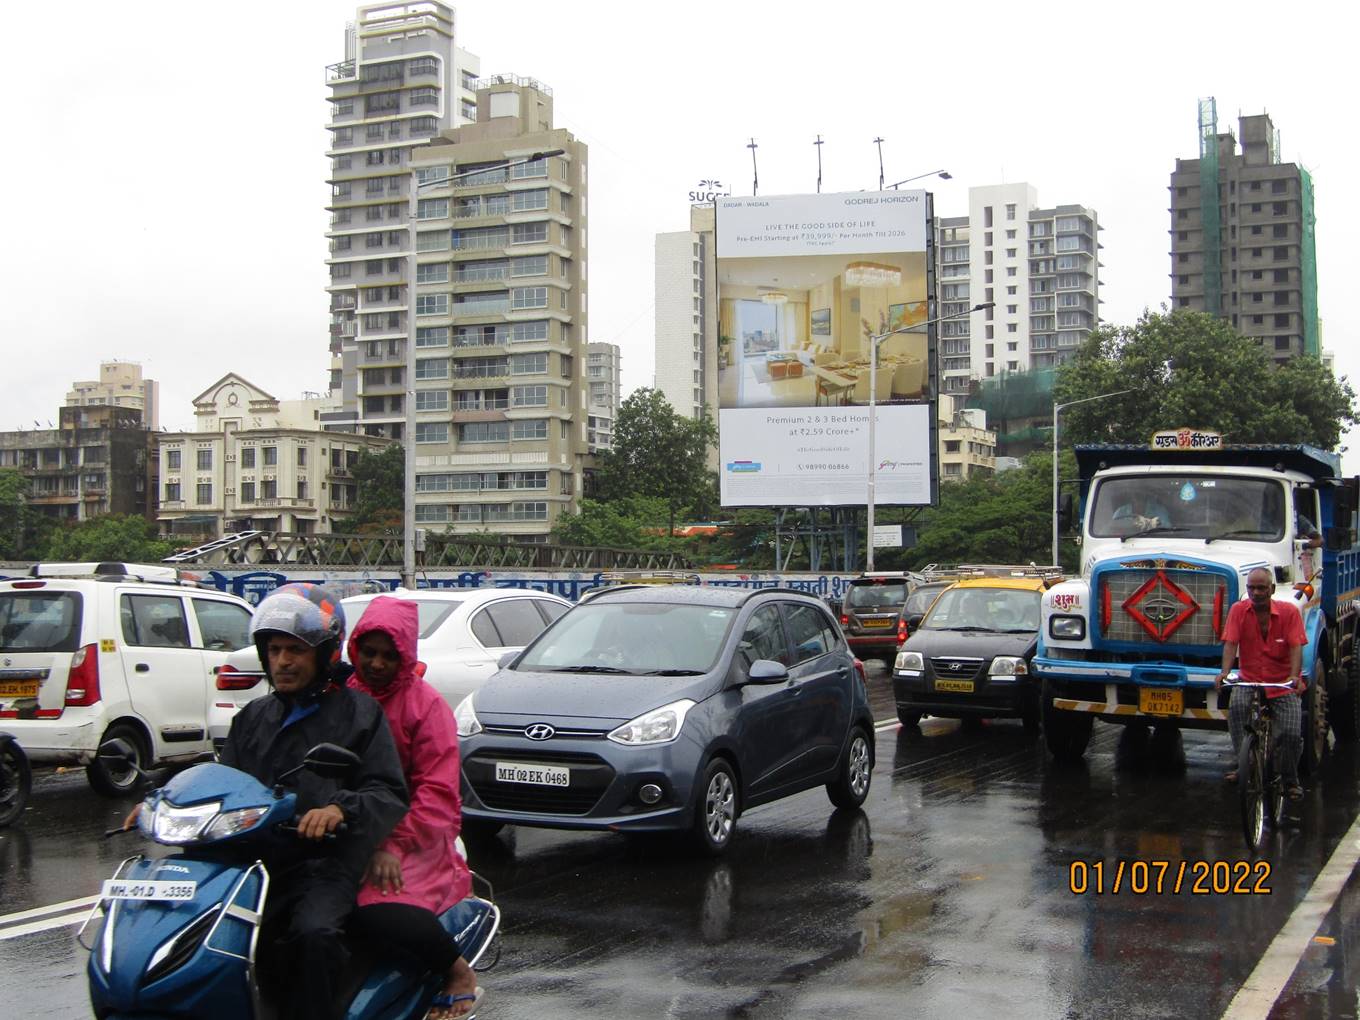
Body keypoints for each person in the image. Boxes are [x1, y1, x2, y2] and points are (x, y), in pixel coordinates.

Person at [215, 584, 409, 1020]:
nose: (282, 661)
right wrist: (164, 799)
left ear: (324, 654)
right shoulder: (253, 717)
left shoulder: (359, 714)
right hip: (257, 864)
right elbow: (224, 782)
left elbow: (388, 791)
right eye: (275, 649)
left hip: (326, 864)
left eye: (296, 650)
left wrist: (340, 809)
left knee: (313, 934)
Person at [345, 596, 484, 1020]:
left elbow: (438, 794)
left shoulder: (426, 707)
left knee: (377, 906)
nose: (378, 664)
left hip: (413, 838)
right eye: (369, 653)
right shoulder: (341, 696)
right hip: (350, 831)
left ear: (406, 656)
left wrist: (394, 843)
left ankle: (456, 971)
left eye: (390, 656)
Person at [1214, 567, 1308, 798]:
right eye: (1251, 588)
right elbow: (1230, 644)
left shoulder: (1289, 613)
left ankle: (1289, 779)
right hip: (1250, 679)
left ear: (1272, 589)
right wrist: (1224, 673)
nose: (1256, 593)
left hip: (1281, 682)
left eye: (1261, 588)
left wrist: (1294, 677)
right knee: (1236, 712)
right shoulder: (1238, 610)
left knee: (1290, 733)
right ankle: (1246, 764)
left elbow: (1296, 646)